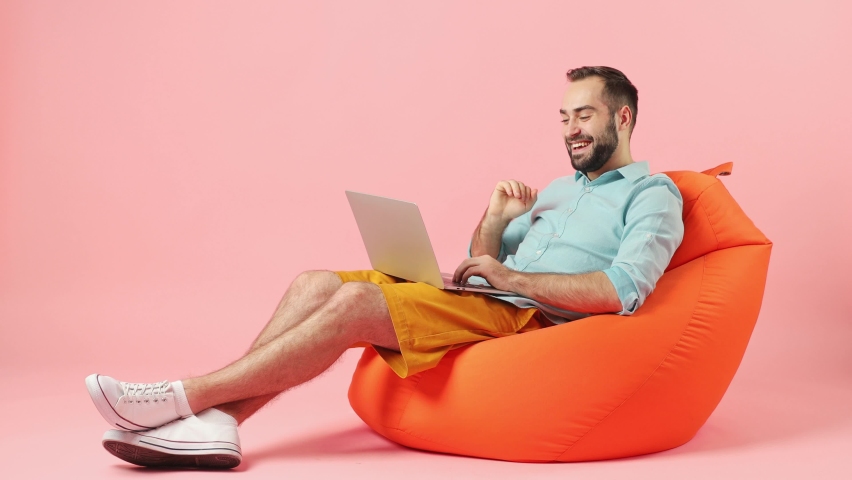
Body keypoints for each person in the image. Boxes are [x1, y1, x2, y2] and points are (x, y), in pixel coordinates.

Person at [85, 66, 684, 469]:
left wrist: (509, 280)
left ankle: (182, 398)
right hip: (487, 299)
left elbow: (622, 290)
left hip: (526, 320)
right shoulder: (557, 189)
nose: (570, 130)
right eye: (563, 118)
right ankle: (220, 423)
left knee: (352, 306)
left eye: (583, 116)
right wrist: (497, 219)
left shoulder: (652, 194)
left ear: (623, 118)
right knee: (314, 282)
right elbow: (482, 260)